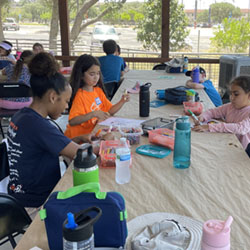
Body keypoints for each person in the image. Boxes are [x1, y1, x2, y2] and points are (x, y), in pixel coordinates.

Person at [7, 52, 92, 208]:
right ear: (52, 97)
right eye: (66, 101)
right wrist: (107, 145)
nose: (67, 107)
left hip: (18, 193)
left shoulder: (22, 116)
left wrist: (72, 141)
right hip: (37, 202)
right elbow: (83, 156)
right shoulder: (39, 126)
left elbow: (41, 147)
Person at [64, 54, 130, 139]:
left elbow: (110, 110)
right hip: (77, 140)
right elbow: (72, 121)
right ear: (81, 75)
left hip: (91, 134)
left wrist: (122, 101)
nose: (96, 77)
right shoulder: (80, 96)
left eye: (98, 73)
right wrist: (94, 114)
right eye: (92, 74)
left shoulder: (97, 91)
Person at [192, 75, 250, 150]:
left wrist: (210, 127)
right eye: (231, 94)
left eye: (236, 94)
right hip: (227, 143)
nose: (231, 97)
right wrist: (202, 117)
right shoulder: (230, 106)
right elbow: (213, 112)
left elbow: (240, 128)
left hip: (241, 151)